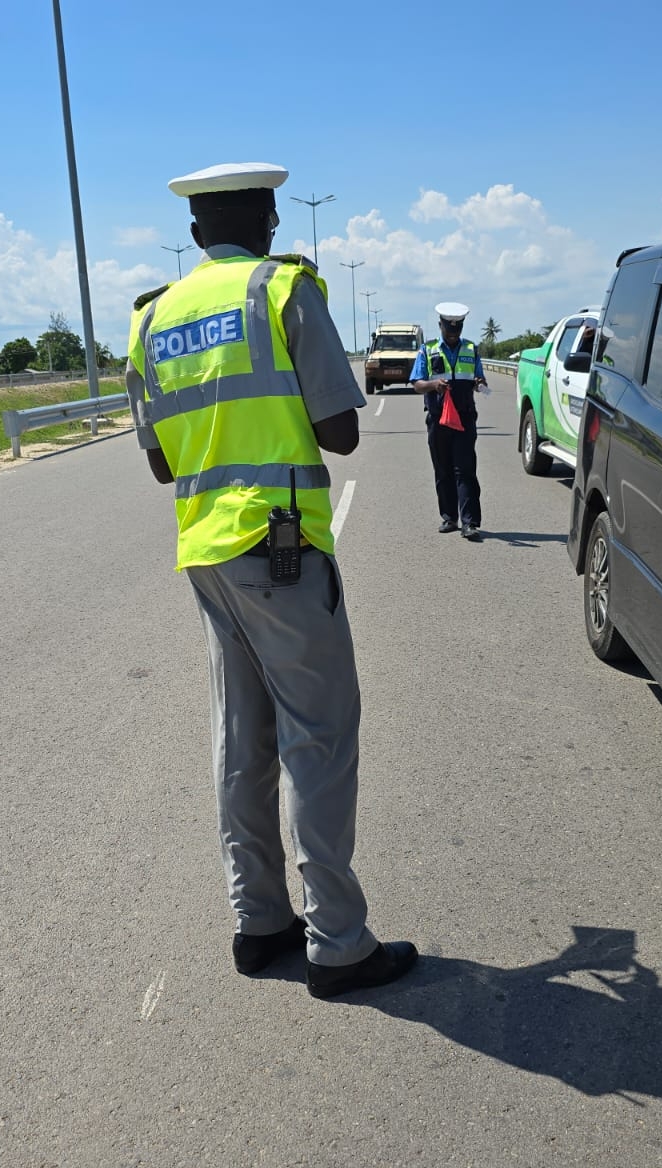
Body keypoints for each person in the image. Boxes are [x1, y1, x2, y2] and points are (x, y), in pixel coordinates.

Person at [125, 161, 417, 1001]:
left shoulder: (153, 317)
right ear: (271, 224)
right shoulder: (280, 292)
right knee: (318, 737)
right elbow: (341, 434)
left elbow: (158, 463)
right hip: (280, 547)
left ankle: (259, 922)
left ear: (192, 235)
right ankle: (337, 941)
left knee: (240, 739)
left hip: (205, 552)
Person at [410, 302, 488, 539]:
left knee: (465, 470)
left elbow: (481, 379)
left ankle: (469, 523)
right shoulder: (428, 349)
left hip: (464, 418)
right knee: (443, 470)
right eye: (449, 328)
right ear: (441, 326)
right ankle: (449, 518)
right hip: (438, 418)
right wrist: (434, 385)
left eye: (457, 328)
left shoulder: (471, 349)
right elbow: (417, 383)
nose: (453, 333)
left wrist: (479, 383)